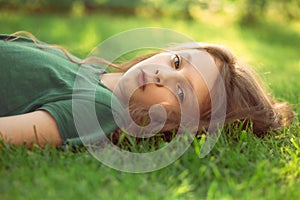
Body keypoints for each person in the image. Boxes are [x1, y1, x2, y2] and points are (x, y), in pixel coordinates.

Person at [0, 31, 294, 148]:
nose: (162, 74)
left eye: (181, 93)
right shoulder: (96, 72)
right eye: (177, 62)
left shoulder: (100, 110)